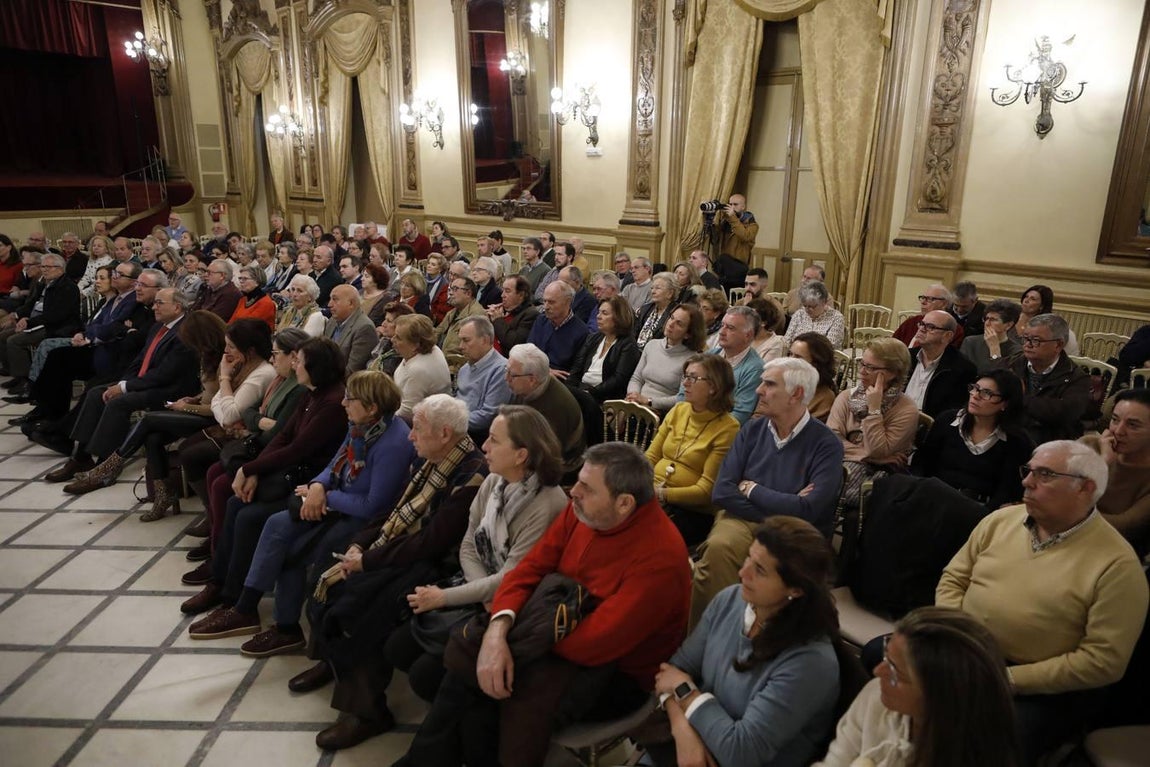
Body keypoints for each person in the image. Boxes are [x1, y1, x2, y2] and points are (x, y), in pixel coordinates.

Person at [394, 443, 692, 767]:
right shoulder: (583, 510)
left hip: (615, 674)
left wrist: (508, 648)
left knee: (480, 690)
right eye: (577, 480)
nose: (573, 491)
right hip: (551, 630)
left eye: (587, 488)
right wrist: (497, 630)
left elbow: (596, 643)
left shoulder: (660, 559)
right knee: (450, 674)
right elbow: (530, 569)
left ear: (624, 503)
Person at [291, 395, 487, 748]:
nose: (411, 437)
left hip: (436, 565)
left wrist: (368, 560)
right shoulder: (433, 458)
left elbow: (432, 541)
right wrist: (362, 543)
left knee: (357, 611)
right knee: (323, 573)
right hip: (401, 548)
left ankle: (368, 712)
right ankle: (333, 661)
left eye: (418, 430)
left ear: (445, 434)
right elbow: (396, 509)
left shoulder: (471, 475)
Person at [936, 440, 1149, 764]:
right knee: (884, 663)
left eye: (1045, 474)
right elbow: (954, 579)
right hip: (967, 650)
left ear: (1084, 488)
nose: (1026, 481)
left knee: (991, 741)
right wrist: (955, 637)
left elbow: (1103, 660)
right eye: (1028, 470)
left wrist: (1007, 679)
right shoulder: (1002, 521)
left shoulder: (1117, 566)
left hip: (1037, 683)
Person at [187, 370, 415, 656]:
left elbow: (374, 506)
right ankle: (245, 607)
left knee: (292, 553)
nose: (344, 403)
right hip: (334, 503)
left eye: (350, 399)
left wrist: (326, 497)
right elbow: (336, 463)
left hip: (360, 520)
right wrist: (318, 485)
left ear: (372, 407)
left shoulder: (393, 443)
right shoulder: (360, 426)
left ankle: (286, 628)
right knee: (276, 524)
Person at [649, 517, 844, 767]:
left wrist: (686, 693)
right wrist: (682, 731)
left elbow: (740, 753)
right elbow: (673, 670)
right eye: (748, 557)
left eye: (760, 570)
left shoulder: (810, 662)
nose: (743, 572)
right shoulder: (730, 600)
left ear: (796, 589)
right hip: (690, 748)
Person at [179, 337, 349, 616]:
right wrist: (255, 469)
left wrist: (250, 469)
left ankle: (234, 597)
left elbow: (298, 449)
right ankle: (219, 582)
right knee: (235, 503)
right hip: (288, 473)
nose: (295, 365)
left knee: (248, 515)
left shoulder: (330, 403)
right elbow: (283, 436)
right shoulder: (311, 393)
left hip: (307, 482)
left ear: (314, 367)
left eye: (299, 361)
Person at [691, 358, 845, 627]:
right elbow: (722, 492)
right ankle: (702, 642)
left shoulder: (826, 444)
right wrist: (789, 501)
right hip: (741, 521)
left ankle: (752, 642)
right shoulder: (752, 429)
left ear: (796, 394)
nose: (759, 390)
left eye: (769, 384)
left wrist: (752, 488)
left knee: (772, 570)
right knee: (719, 549)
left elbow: (810, 510)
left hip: (793, 532)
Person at [815, 606, 1020, 767]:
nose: (878, 672)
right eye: (887, 656)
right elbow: (836, 760)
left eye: (896, 672)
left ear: (941, 697)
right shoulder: (875, 696)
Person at [35, 289, 200, 482]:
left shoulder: (185, 332)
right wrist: (123, 382)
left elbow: (165, 374)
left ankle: (105, 466)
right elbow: (139, 361)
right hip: (147, 382)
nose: (154, 307)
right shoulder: (158, 327)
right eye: (154, 302)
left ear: (177, 307)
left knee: (118, 402)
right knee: (97, 393)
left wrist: (124, 388)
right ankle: (80, 457)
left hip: (170, 390)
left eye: (159, 303)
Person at [646, 353, 740, 546]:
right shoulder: (679, 410)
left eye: (693, 378)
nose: (685, 384)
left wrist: (661, 494)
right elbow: (651, 456)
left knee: (646, 536)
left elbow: (705, 491)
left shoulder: (728, 428)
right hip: (652, 493)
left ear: (714, 387)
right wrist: (641, 485)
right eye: (685, 377)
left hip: (692, 510)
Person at [912, 370, 1033, 510]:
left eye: (986, 393)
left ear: (1005, 404)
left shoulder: (1016, 440)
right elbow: (922, 464)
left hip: (979, 509)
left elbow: (1007, 490)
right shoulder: (947, 421)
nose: (975, 396)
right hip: (933, 498)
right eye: (975, 388)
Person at [828, 337, 918, 509]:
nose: (862, 371)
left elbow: (877, 449)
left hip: (878, 476)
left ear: (893, 372)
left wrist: (874, 409)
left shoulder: (906, 409)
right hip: (840, 463)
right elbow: (831, 440)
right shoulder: (847, 397)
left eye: (870, 367)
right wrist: (874, 458)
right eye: (862, 363)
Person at [0, 253, 82, 393]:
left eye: (48, 267)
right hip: (38, 321)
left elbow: (55, 316)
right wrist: (19, 316)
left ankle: (26, 380)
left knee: (15, 341)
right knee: (3, 336)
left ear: (60, 268)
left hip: (57, 327)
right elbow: (30, 303)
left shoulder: (68, 287)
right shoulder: (43, 283)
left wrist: (29, 322)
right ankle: (17, 375)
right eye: (43, 266)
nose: (44, 270)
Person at [1008, 313, 1091, 444]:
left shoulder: (1076, 377)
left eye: (1036, 340)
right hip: (1011, 432)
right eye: (1025, 338)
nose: (1028, 345)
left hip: (1051, 441)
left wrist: (1020, 398)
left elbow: (1064, 413)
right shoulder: (1012, 365)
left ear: (1058, 345)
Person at [506, 343, 586, 476]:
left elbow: (543, 454)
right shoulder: (526, 388)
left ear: (532, 379)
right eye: (506, 370)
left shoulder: (556, 406)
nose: (506, 378)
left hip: (560, 467)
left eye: (512, 375)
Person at [1093, 388, 1150, 557]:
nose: (1118, 431)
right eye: (1115, 420)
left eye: (1133, 425)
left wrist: (1102, 464)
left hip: (1114, 556)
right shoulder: (1090, 446)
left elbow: (1121, 526)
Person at [627, 303, 708, 413]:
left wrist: (649, 401)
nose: (671, 324)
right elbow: (636, 378)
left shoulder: (692, 360)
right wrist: (633, 396)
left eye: (679, 323)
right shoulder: (652, 345)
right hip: (637, 403)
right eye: (671, 318)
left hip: (662, 411)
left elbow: (682, 397)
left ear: (688, 334)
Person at [902, 310, 978, 419]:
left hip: (931, 429)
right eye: (922, 324)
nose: (922, 329)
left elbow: (952, 413)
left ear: (947, 335)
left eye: (930, 327)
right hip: (898, 421)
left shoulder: (962, 369)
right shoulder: (906, 357)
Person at [566, 295, 641, 403]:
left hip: (602, 396)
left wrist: (590, 393)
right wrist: (568, 388)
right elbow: (577, 368)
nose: (598, 316)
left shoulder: (628, 345)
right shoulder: (593, 338)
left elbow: (618, 380)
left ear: (619, 317)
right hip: (581, 389)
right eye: (599, 312)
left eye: (604, 313)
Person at [700, 305, 765, 425]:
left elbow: (739, 415)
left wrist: (705, 428)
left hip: (721, 432)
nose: (721, 332)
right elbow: (684, 393)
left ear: (748, 335)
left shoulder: (755, 368)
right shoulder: (710, 356)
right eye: (722, 325)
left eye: (730, 328)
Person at [456, 316, 512, 444]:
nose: (461, 346)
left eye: (466, 340)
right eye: (460, 340)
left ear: (485, 340)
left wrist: (451, 422)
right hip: (460, 430)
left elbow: (488, 416)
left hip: (480, 439)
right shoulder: (465, 368)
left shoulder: (501, 370)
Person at [392, 314, 452, 423]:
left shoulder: (418, 370)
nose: (392, 339)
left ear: (415, 345)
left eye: (398, 338)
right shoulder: (430, 349)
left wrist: (382, 418)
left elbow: (407, 413)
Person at [526, 280, 589, 375]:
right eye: (544, 301)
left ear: (568, 302)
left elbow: (575, 371)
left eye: (551, 302)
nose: (546, 307)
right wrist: (545, 371)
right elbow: (528, 351)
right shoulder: (541, 320)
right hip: (533, 372)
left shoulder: (581, 332)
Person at [707, 193, 758, 291]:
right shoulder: (727, 222)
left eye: (735, 204)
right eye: (730, 204)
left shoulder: (752, 225)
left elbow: (745, 236)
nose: (732, 207)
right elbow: (715, 240)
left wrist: (732, 217)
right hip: (725, 269)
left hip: (739, 269)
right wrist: (712, 223)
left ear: (743, 206)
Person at [323, 285, 378, 374]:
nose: (329, 304)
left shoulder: (364, 328)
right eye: (330, 299)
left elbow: (352, 372)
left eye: (335, 299)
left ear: (351, 303)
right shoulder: (332, 321)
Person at [892, 285, 965, 350]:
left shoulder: (954, 329)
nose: (923, 302)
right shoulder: (911, 322)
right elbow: (892, 345)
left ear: (944, 304)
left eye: (930, 299)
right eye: (923, 298)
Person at [785, 332, 838, 421]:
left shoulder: (824, 398)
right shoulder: (781, 383)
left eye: (798, 357)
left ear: (816, 364)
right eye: (790, 354)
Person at [960, 299, 1021, 371]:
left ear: (1008, 325)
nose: (987, 323)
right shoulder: (970, 342)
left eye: (993, 319)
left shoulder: (1017, 351)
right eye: (986, 319)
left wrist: (994, 351)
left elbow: (1002, 377)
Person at [783, 281, 845, 349]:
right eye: (805, 305)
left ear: (824, 302)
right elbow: (786, 341)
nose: (807, 310)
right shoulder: (799, 314)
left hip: (821, 357)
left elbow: (829, 347)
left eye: (812, 306)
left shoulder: (836, 318)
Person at [1018, 285, 1078, 355]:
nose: (1026, 301)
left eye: (1033, 299)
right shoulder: (1011, 320)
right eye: (1026, 296)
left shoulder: (1054, 328)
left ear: (1042, 306)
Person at [436, 276, 487, 358]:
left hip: (456, 365)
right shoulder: (452, 312)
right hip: (442, 359)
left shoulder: (477, 316)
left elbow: (472, 352)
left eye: (455, 289)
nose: (451, 293)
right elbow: (437, 333)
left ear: (468, 293)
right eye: (451, 289)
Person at [488, 275, 539, 354]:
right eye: (503, 290)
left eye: (507, 291)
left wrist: (498, 320)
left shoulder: (531, 314)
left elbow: (514, 343)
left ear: (521, 295)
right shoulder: (502, 309)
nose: (502, 295)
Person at [634, 272, 680, 350]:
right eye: (652, 288)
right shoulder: (645, 309)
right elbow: (634, 333)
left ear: (670, 293)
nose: (653, 291)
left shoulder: (677, 312)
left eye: (657, 288)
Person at [228, 265, 276, 331]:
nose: (241, 281)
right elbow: (231, 323)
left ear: (257, 282)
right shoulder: (243, 299)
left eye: (245, 279)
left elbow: (250, 328)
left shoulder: (265, 303)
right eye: (240, 278)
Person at [748, 297, 787, 362]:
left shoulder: (776, 343)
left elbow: (764, 369)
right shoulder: (744, 336)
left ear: (763, 322)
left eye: (751, 317)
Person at [360, 262, 395, 326]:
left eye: (366, 276)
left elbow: (372, 320)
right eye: (363, 276)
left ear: (376, 280)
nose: (362, 279)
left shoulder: (385, 298)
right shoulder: (359, 292)